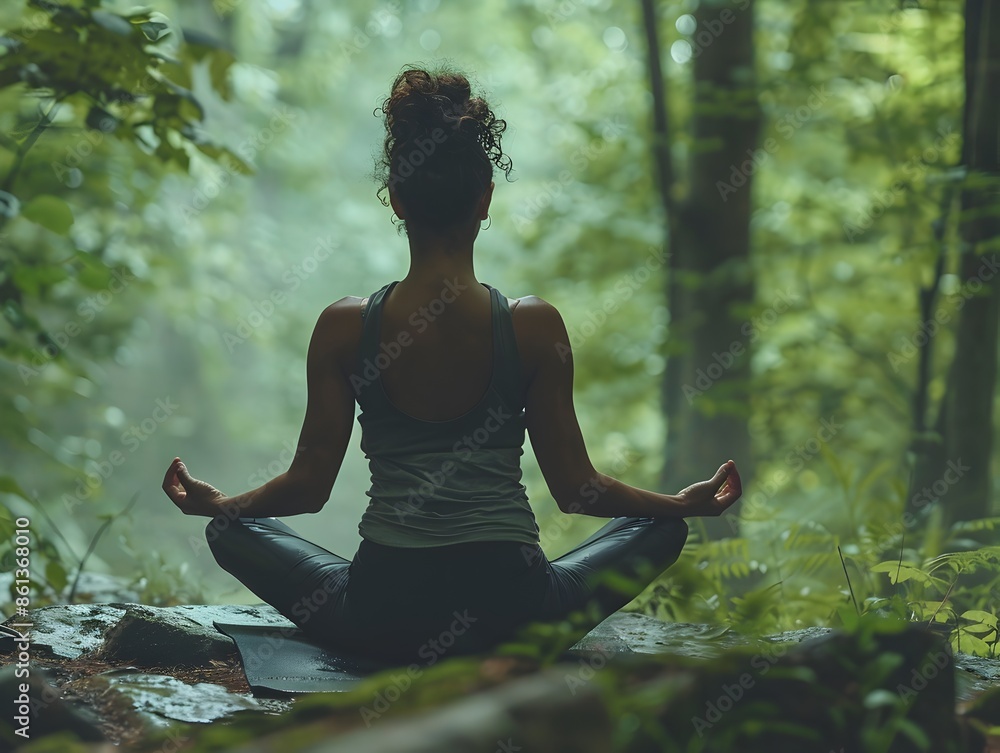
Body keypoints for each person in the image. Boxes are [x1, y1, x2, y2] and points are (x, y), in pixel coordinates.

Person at [161, 67, 742, 664]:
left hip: (381, 614)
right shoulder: (534, 325)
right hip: (515, 611)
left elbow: (307, 491)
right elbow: (578, 490)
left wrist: (219, 505)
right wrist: (680, 505)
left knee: (233, 530)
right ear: (485, 197)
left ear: (397, 198)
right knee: (662, 528)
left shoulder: (343, 327)